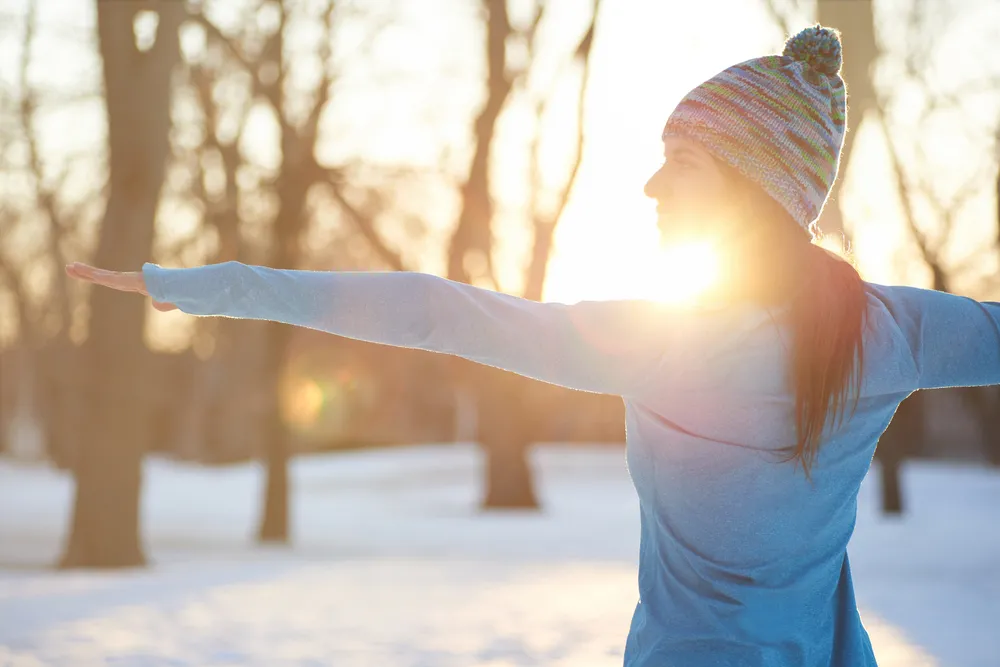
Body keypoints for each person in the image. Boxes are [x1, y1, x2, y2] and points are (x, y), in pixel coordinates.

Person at [66, 24, 999, 667]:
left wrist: (205, 286)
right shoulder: (890, 331)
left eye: (682, 163)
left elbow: (432, 311)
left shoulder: (658, 343)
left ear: (751, 192)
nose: (651, 186)